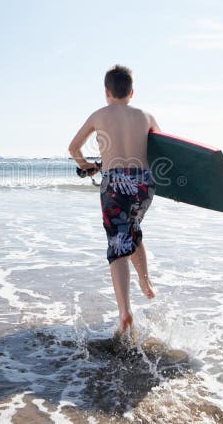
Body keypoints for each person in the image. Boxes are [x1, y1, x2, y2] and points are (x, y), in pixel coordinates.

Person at [68, 65, 160, 338]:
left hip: (115, 182)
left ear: (107, 92)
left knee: (117, 242)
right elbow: (163, 151)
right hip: (144, 182)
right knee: (130, 228)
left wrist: (86, 166)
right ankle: (145, 282)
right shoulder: (147, 116)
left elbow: (73, 148)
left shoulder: (99, 114)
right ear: (131, 92)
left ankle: (125, 312)